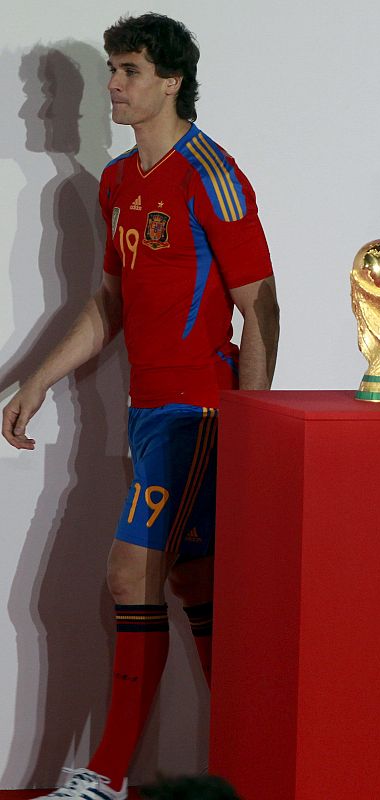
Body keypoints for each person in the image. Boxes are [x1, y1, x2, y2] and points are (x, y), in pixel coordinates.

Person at [2, 14, 279, 800]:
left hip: (198, 414)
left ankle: (105, 775)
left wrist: (251, 431)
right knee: (196, 584)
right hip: (144, 410)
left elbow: (260, 306)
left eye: (128, 71)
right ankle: (258, 765)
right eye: (111, 70)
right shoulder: (118, 181)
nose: (114, 86)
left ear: (172, 81)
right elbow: (110, 304)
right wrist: (37, 379)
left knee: (130, 576)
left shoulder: (212, 174)